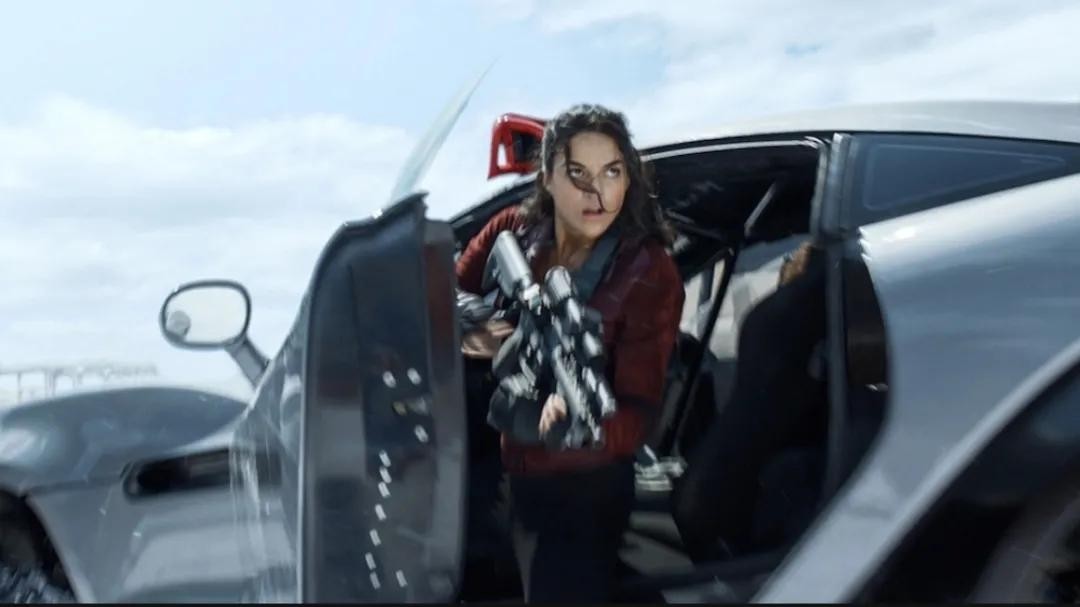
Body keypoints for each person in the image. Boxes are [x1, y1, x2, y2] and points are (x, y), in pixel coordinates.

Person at [455, 104, 685, 602]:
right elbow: (441, 296)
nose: (595, 193)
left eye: (611, 173)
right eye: (578, 173)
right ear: (548, 176)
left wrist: (580, 428)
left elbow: (640, 409)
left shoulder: (649, 270)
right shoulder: (513, 231)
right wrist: (484, 333)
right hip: (512, 476)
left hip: (585, 485)